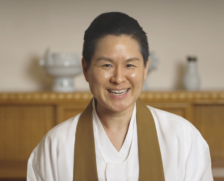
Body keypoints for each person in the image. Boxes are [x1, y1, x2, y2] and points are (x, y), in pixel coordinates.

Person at [27, 12, 213, 181]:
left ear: (145, 68)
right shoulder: (55, 146)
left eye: (130, 65)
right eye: (107, 65)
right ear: (86, 69)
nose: (118, 78)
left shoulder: (183, 139)